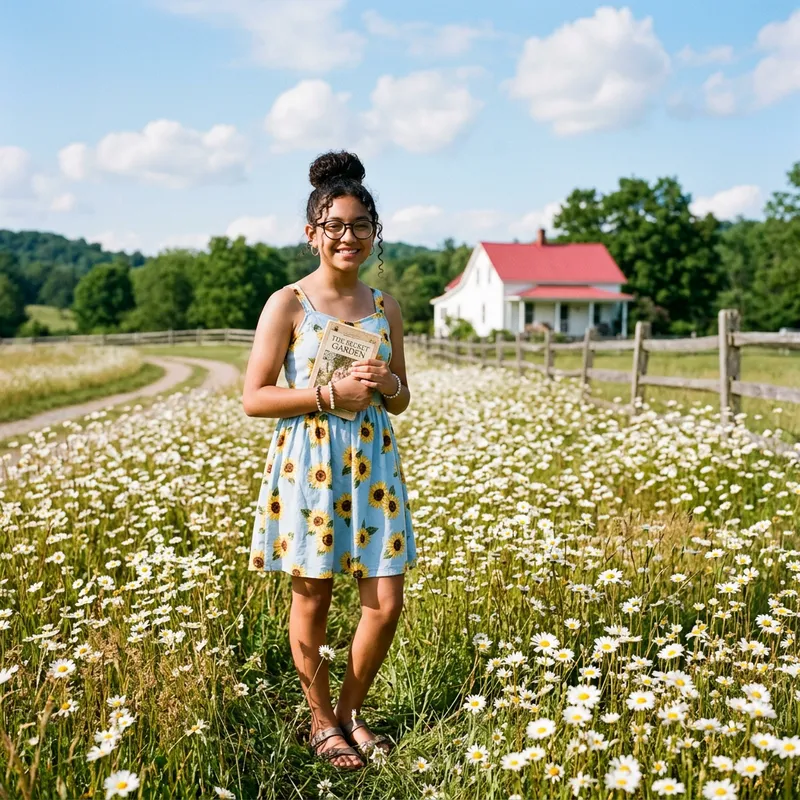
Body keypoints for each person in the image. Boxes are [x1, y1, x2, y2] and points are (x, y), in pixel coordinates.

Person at [242, 150, 418, 771]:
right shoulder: (287, 303)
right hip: (309, 464)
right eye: (334, 225)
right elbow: (254, 397)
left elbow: (399, 400)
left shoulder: (385, 306)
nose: (348, 236)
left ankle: (347, 711)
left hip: (373, 463)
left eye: (360, 225)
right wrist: (327, 394)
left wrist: (383, 383)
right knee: (312, 595)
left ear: (375, 232)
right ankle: (321, 723)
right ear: (312, 232)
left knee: (387, 601)